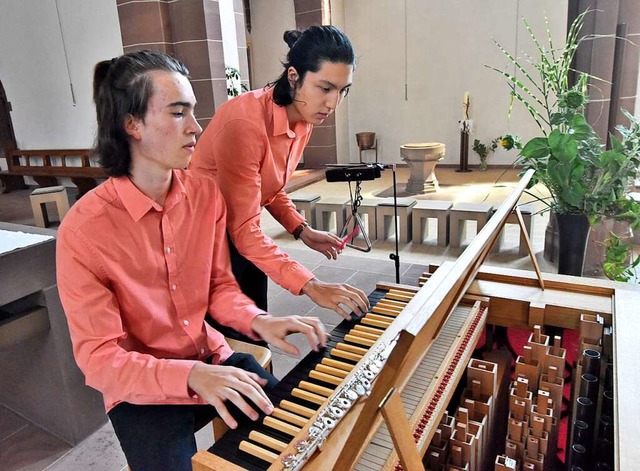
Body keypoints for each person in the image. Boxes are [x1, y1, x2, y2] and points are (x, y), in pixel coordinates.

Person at [56, 50, 327, 471]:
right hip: (142, 389)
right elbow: (99, 358)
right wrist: (187, 376)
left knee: (298, 441)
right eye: (178, 113)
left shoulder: (204, 194)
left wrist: (259, 321)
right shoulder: (84, 230)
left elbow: (218, 288)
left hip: (210, 359)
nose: (196, 127)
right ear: (132, 125)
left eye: (193, 112)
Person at [190, 25, 370, 325]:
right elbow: (244, 229)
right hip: (204, 237)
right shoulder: (245, 122)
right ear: (293, 77)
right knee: (226, 341)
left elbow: (269, 186)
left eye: (342, 90)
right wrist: (311, 286)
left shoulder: (303, 118)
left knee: (255, 323)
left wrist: (302, 230)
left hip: (241, 232)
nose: (333, 103)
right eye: (325, 88)